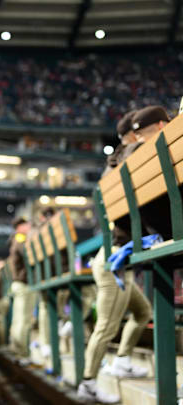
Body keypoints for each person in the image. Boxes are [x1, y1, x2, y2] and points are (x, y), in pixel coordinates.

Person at [78, 109, 155, 404]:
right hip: (113, 262)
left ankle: (121, 360)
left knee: (142, 312)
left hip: (110, 254)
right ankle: (88, 383)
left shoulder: (110, 166)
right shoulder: (134, 154)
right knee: (106, 328)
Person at [7, 217, 36, 362]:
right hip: (23, 283)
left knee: (19, 320)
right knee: (23, 321)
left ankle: (17, 351)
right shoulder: (20, 238)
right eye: (27, 224)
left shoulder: (17, 238)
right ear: (20, 226)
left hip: (19, 283)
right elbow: (28, 255)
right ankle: (22, 353)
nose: (30, 226)